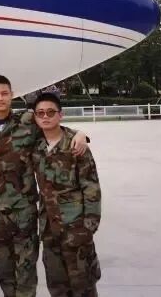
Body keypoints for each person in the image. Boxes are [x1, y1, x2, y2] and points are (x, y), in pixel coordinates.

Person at [0, 75, 88, 297]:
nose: (0, 98)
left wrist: (80, 134)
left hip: (24, 214)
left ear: (12, 95)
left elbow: (53, 126)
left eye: (4, 93)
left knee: (26, 273)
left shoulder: (27, 121)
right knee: (4, 272)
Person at [32, 93, 101, 297]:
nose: (45, 116)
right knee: (57, 286)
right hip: (49, 228)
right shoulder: (35, 145)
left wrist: (89, 226)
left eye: (51, 112)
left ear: (60, 115)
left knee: (84, 286)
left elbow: (91, 187)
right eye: (40, 113)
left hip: (76, 227)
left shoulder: (75, 145)